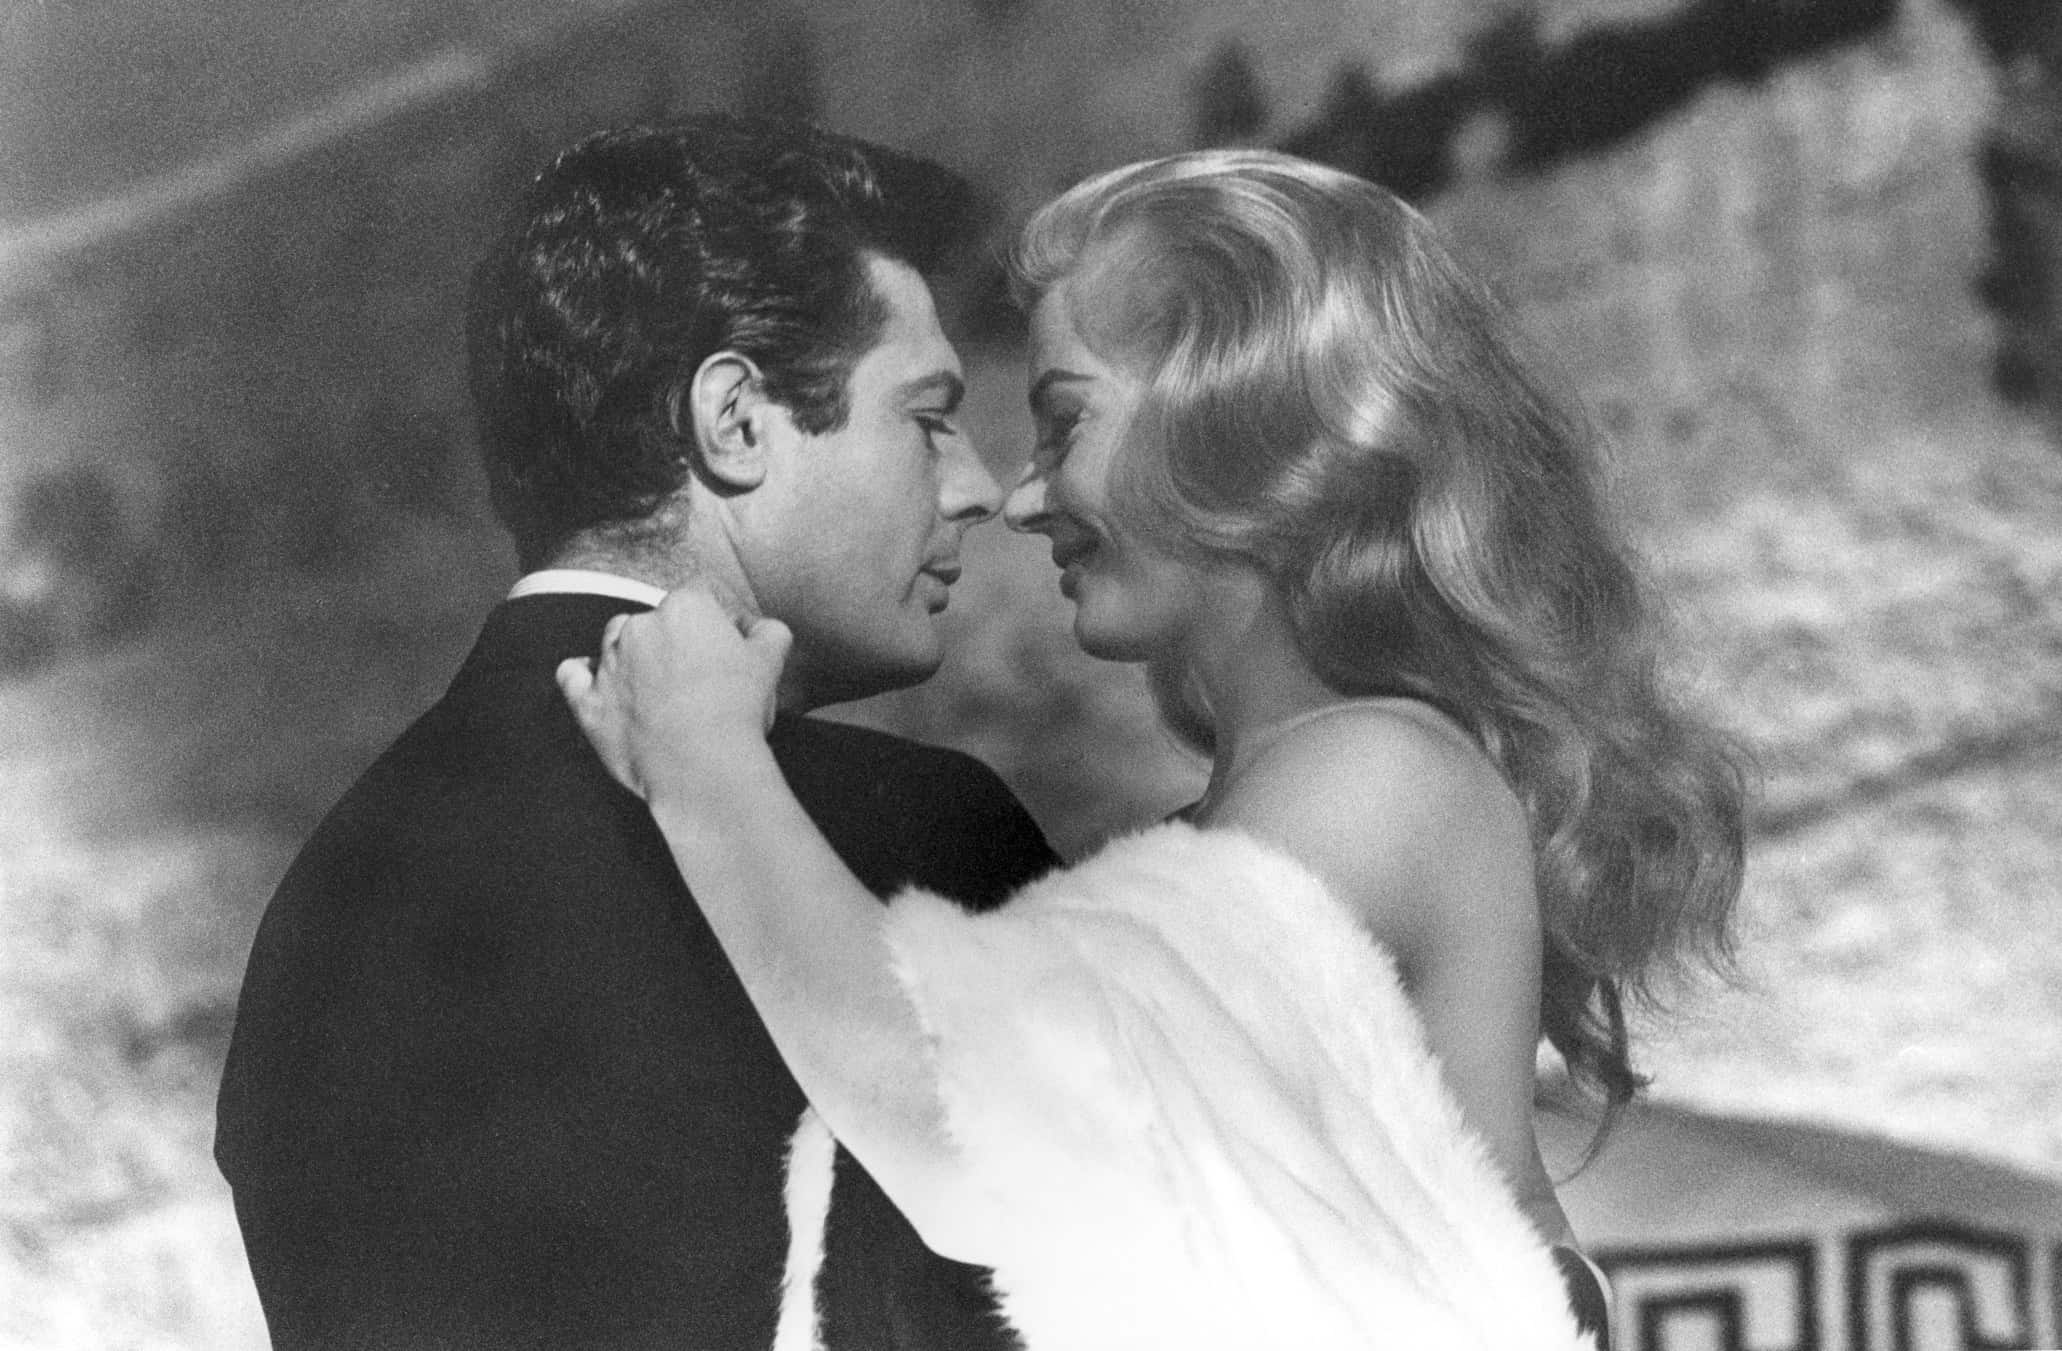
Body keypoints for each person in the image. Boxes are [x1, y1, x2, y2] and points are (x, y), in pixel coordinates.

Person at [559, 148, 1746, 1349]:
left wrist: (705, 762)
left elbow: (972, 1135)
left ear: (1243, 418)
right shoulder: (1308, 788)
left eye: (1063, 422)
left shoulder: (1372, 779)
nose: (1021, 500)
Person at [213, 115, 1060, 1350]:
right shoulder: (915, 834)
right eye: (927, 416)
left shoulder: (313, 918)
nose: (976, 484)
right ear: (735, 419)